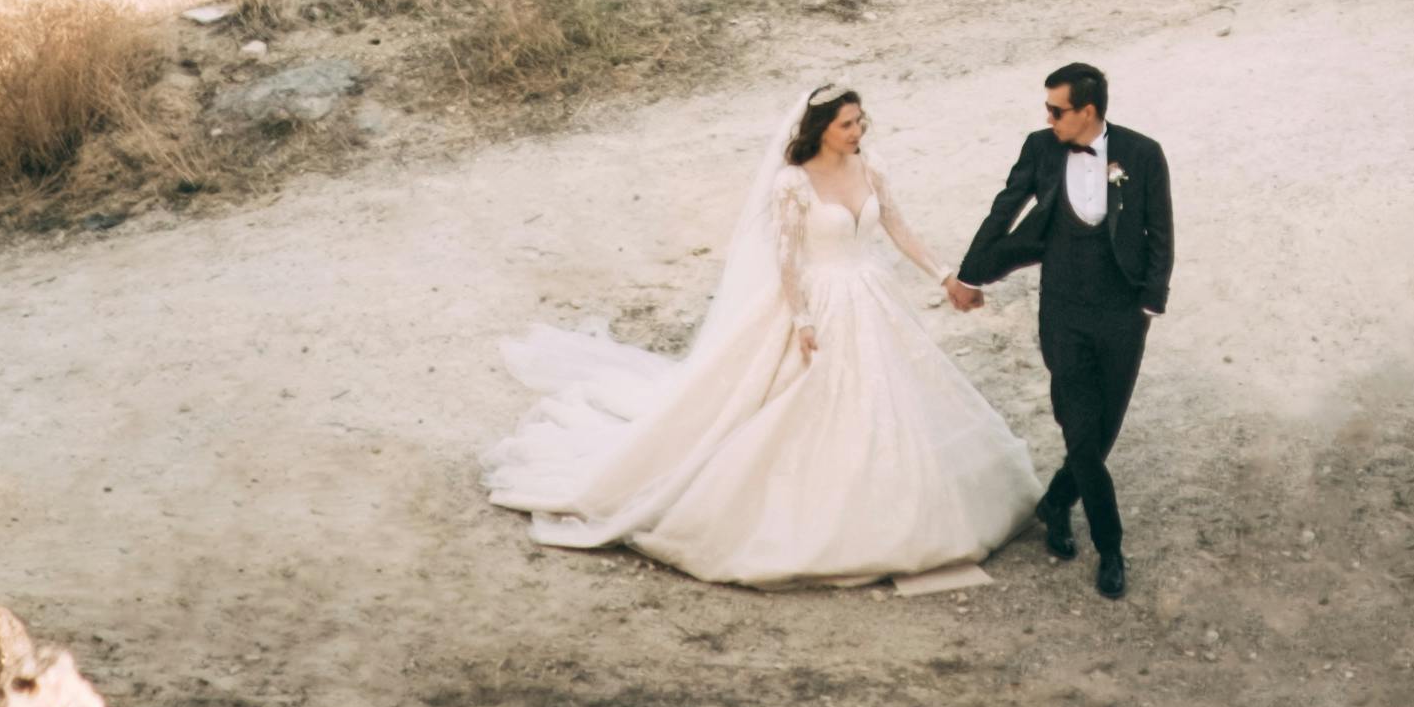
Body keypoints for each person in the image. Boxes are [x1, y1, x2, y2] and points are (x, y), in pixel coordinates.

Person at [486, 87, 1036, 585]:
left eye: (860, 121)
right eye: (847, 124)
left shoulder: (871, 168)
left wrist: (944, 276)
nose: (858, 131)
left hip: (870, 294)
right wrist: (801, 319)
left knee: (892, 397)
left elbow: (897, 228)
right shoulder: (793, 184)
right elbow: (787, 258)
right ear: (820, 128)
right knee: (806, 401)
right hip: (819, 301)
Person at [948, 57, 1173, 596]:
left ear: (1087, 111)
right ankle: (1111, 547)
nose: (1048, 119)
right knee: (1079, 427)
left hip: (1122, 314)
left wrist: (1150, 304)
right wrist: (969, 274)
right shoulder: (1040, 148)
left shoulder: (1142, 154)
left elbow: (1160, 231)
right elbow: (1006, 208)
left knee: (1103, 430)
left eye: (1056, 110)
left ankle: (1055, 502)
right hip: (1064, 312)